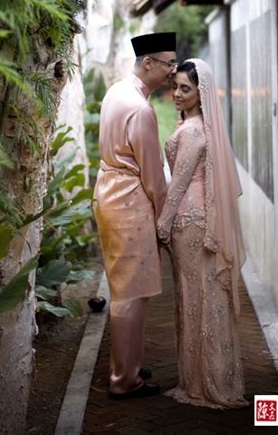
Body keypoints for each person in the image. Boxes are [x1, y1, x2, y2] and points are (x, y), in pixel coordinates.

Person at [156, 58, 249, 409]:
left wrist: (163, 223)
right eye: (175, 86)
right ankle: (205, 378)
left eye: (185, 89)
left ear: (201, 92)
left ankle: (205, 383)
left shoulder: (194, 131)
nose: (177, 94)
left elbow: (178, 185)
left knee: (196, 297)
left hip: (188, 221)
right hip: (196, 218)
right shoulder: (199, 126)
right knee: (199, 295)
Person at [93, 32, 177, 400]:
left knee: (125, 287)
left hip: (109, 193)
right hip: (129, 201)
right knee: (132, 293)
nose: (173, 72)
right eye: (168, 64)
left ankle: (127, 363)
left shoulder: (116, 91)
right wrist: (166, 219)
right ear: (148, 63)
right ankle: (125, 380)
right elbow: (153, 176)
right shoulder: (142, 109)